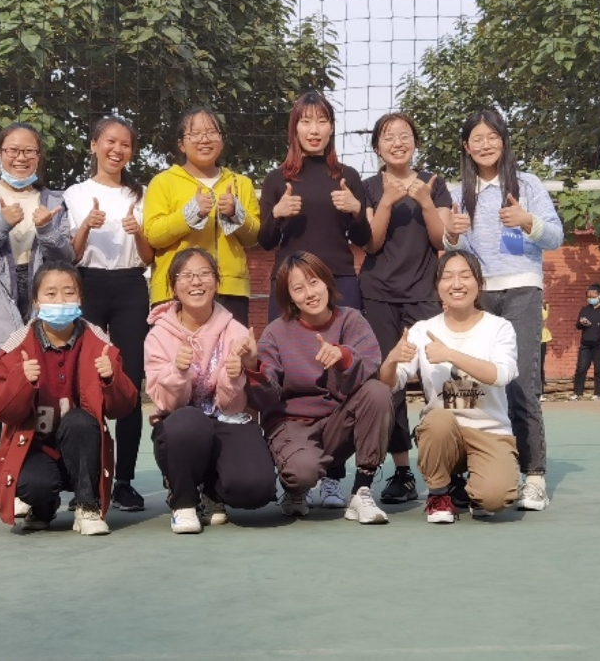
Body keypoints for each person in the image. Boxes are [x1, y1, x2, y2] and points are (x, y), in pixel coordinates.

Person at [443, 109, 563, 511]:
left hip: (522, 290)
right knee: (467, 382)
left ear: (504, 140)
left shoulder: (527, 185)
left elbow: (556, 237)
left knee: (521, 384)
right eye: (477, 138)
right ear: (466, 146)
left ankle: (534, 476)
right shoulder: (460, 192)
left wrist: (527, 221)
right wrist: (451, 235)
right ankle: (464, 475)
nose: (485, 144)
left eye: (492, 136)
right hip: (479, 295)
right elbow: (455, 251)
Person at [257, 90, 372, 510]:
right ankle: (293, 472)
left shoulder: (348, 176)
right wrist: (277, 214)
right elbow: (265, 240)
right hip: (290, 287)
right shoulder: (277, 179)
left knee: (340, 372)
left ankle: (333, 478)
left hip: (339, 281)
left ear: (331, 127)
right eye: (306, 121)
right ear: (295, 128)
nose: (314, 129)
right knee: (287, 376)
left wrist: (356, 210)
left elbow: (364, 239)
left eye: (322, 121)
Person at [0, 122, 73, 516]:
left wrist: (47, 229)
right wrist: (2, 222)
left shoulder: (53, 199)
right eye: (13, 150)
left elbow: (67, 256)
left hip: (40, 307)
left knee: (38, 399)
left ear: (39, 156)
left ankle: (26, 483)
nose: (21, 158)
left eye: (29, 151)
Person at [0, 262, 140, 534]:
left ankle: (87, 506)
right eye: (51, 293)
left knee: (80, 421)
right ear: (36, 302)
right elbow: (0, 410)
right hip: (34, 448)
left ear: (80, 298)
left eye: (69, 292)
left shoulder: (100, 343)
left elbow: (123, 406)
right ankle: (43, 506)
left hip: (82, 448)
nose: (60, 300)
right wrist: (21, 381)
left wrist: (111, 379)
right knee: (35, 484)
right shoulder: (16, 347)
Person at [251, 251, 393, 524]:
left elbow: (370, 365)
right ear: (289, 297)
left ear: (327, 281)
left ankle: (361, 491)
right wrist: (251, 367)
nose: (310, 293)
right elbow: (266, 391)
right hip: (292, 423)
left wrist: (344, 357)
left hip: (336, 422)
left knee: (378, 392)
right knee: (302, 473)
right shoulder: (275, 332)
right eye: (298, 288)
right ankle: (295, 488)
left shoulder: (351, 320)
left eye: (314, 282)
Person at [379, 250, 520, 523]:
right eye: (447, 277)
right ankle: (439, 493)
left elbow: (501, 375)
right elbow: (391, 383)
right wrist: (391, 360)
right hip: (443, 434)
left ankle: (473, 488)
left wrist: (451, 355)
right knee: (438, 420)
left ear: (479, 283)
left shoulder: (499, 328)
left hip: (489, 431)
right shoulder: (422, 330)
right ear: (437, 286)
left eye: (465, 276)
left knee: (495, 499)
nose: (457, 284)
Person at [144, 248, 276, 534]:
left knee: (256, 488)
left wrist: (236, 373)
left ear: (217, 282)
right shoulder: (158, 335)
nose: (196, 282)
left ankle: (212, 491)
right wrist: (178, 372)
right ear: (173, 286)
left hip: (226, 421)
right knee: (188, 422)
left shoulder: (235, 331)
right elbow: (166, 404)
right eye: (186, 275)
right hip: (180, 427)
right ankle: (184, 501)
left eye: (205, 274)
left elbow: (232, 406)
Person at [359, 111, 452, 505]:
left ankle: (449, 469)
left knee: (439, 375)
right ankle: (402, 471)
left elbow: (441, 239)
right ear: (377, 147)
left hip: (423, 294)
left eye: (404, 135)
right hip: (378, 294)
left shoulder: (434, 183)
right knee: (390, 380)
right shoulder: (367, 187)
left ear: (415, 142)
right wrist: (388, 201)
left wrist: (425, 202)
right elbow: (371, 243)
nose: (397, 142)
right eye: (388, 136)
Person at [63, 115, 154, 513]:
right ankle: (85, 480)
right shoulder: (76, 193)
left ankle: (125, 481)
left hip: (131, 286)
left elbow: (148, 257)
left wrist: (138, 231)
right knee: (85, 381)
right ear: (94, 145)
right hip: (90, 285)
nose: (117, 150)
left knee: (129, 382)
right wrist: (86, 225)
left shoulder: (141, 193)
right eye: (110, 142)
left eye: (125, 144)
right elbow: (71, 254)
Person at [144, 107, 261, 326]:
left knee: (232, 349)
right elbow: (153, 235)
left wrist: (237, 214)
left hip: (230, 290)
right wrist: (189, 214)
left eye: (211, 133)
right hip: (175, 290)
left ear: (222, 141)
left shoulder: (241, 183)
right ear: (181, 144)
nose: (204, 140)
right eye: (195, 134)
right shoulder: (162, 182)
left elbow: (253, 237)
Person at [571, 283, 600, 401]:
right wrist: (582, 322)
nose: (590, 299)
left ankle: (597, 393)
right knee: (581, 368)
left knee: (599, 369)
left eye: (593, 296)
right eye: (588, 296)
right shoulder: (585, 309)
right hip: (586, 344)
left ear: (599, 295)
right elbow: (578, 325)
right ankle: (578, 393)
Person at [540, 302, 552, 401]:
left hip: (542, 338)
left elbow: (544, 320)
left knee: (540, 366)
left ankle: (540, 392)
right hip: (530, 338)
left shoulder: (545, 306)